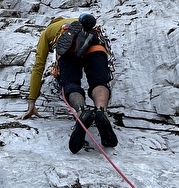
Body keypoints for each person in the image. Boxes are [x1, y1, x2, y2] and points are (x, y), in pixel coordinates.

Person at [23, 13, 119, 153]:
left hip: (67, 43)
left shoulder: (48, 31)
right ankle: (101, 111)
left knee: (71, 84)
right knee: (99, 82)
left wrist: (32, 100)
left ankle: (82, 111)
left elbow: (38, 66)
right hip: (95, 40)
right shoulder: (74, 20)